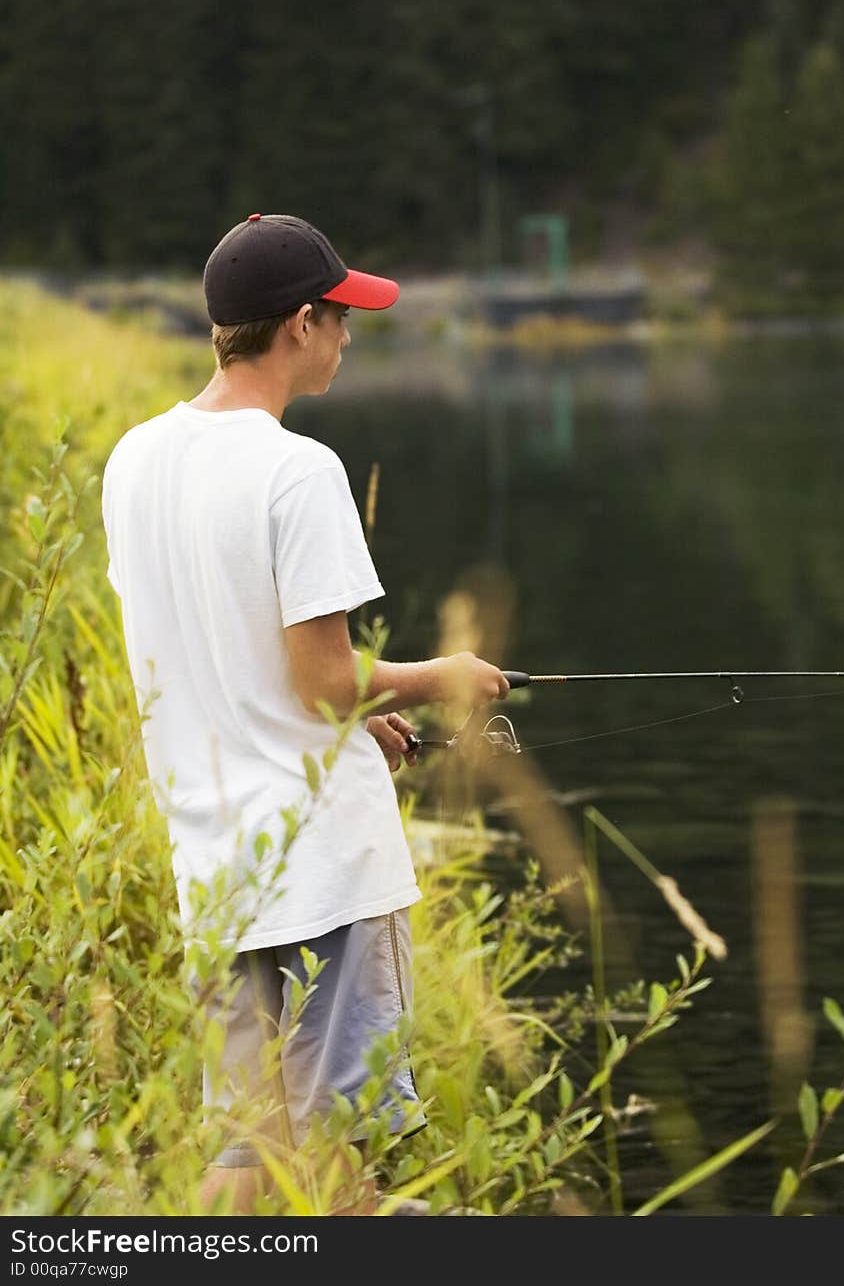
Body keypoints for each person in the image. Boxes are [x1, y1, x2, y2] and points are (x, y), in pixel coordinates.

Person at [100, 212, 509, 1215]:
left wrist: (344, 719)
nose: (347, 335)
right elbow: (326, 680)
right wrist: (440, 674)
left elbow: (212, 658)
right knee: (338, 1169)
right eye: (339, 317)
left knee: (243, 1158)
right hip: (326, 869)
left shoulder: (134, 460)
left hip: (218, 866)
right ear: (295, 326)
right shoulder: (298, 470)